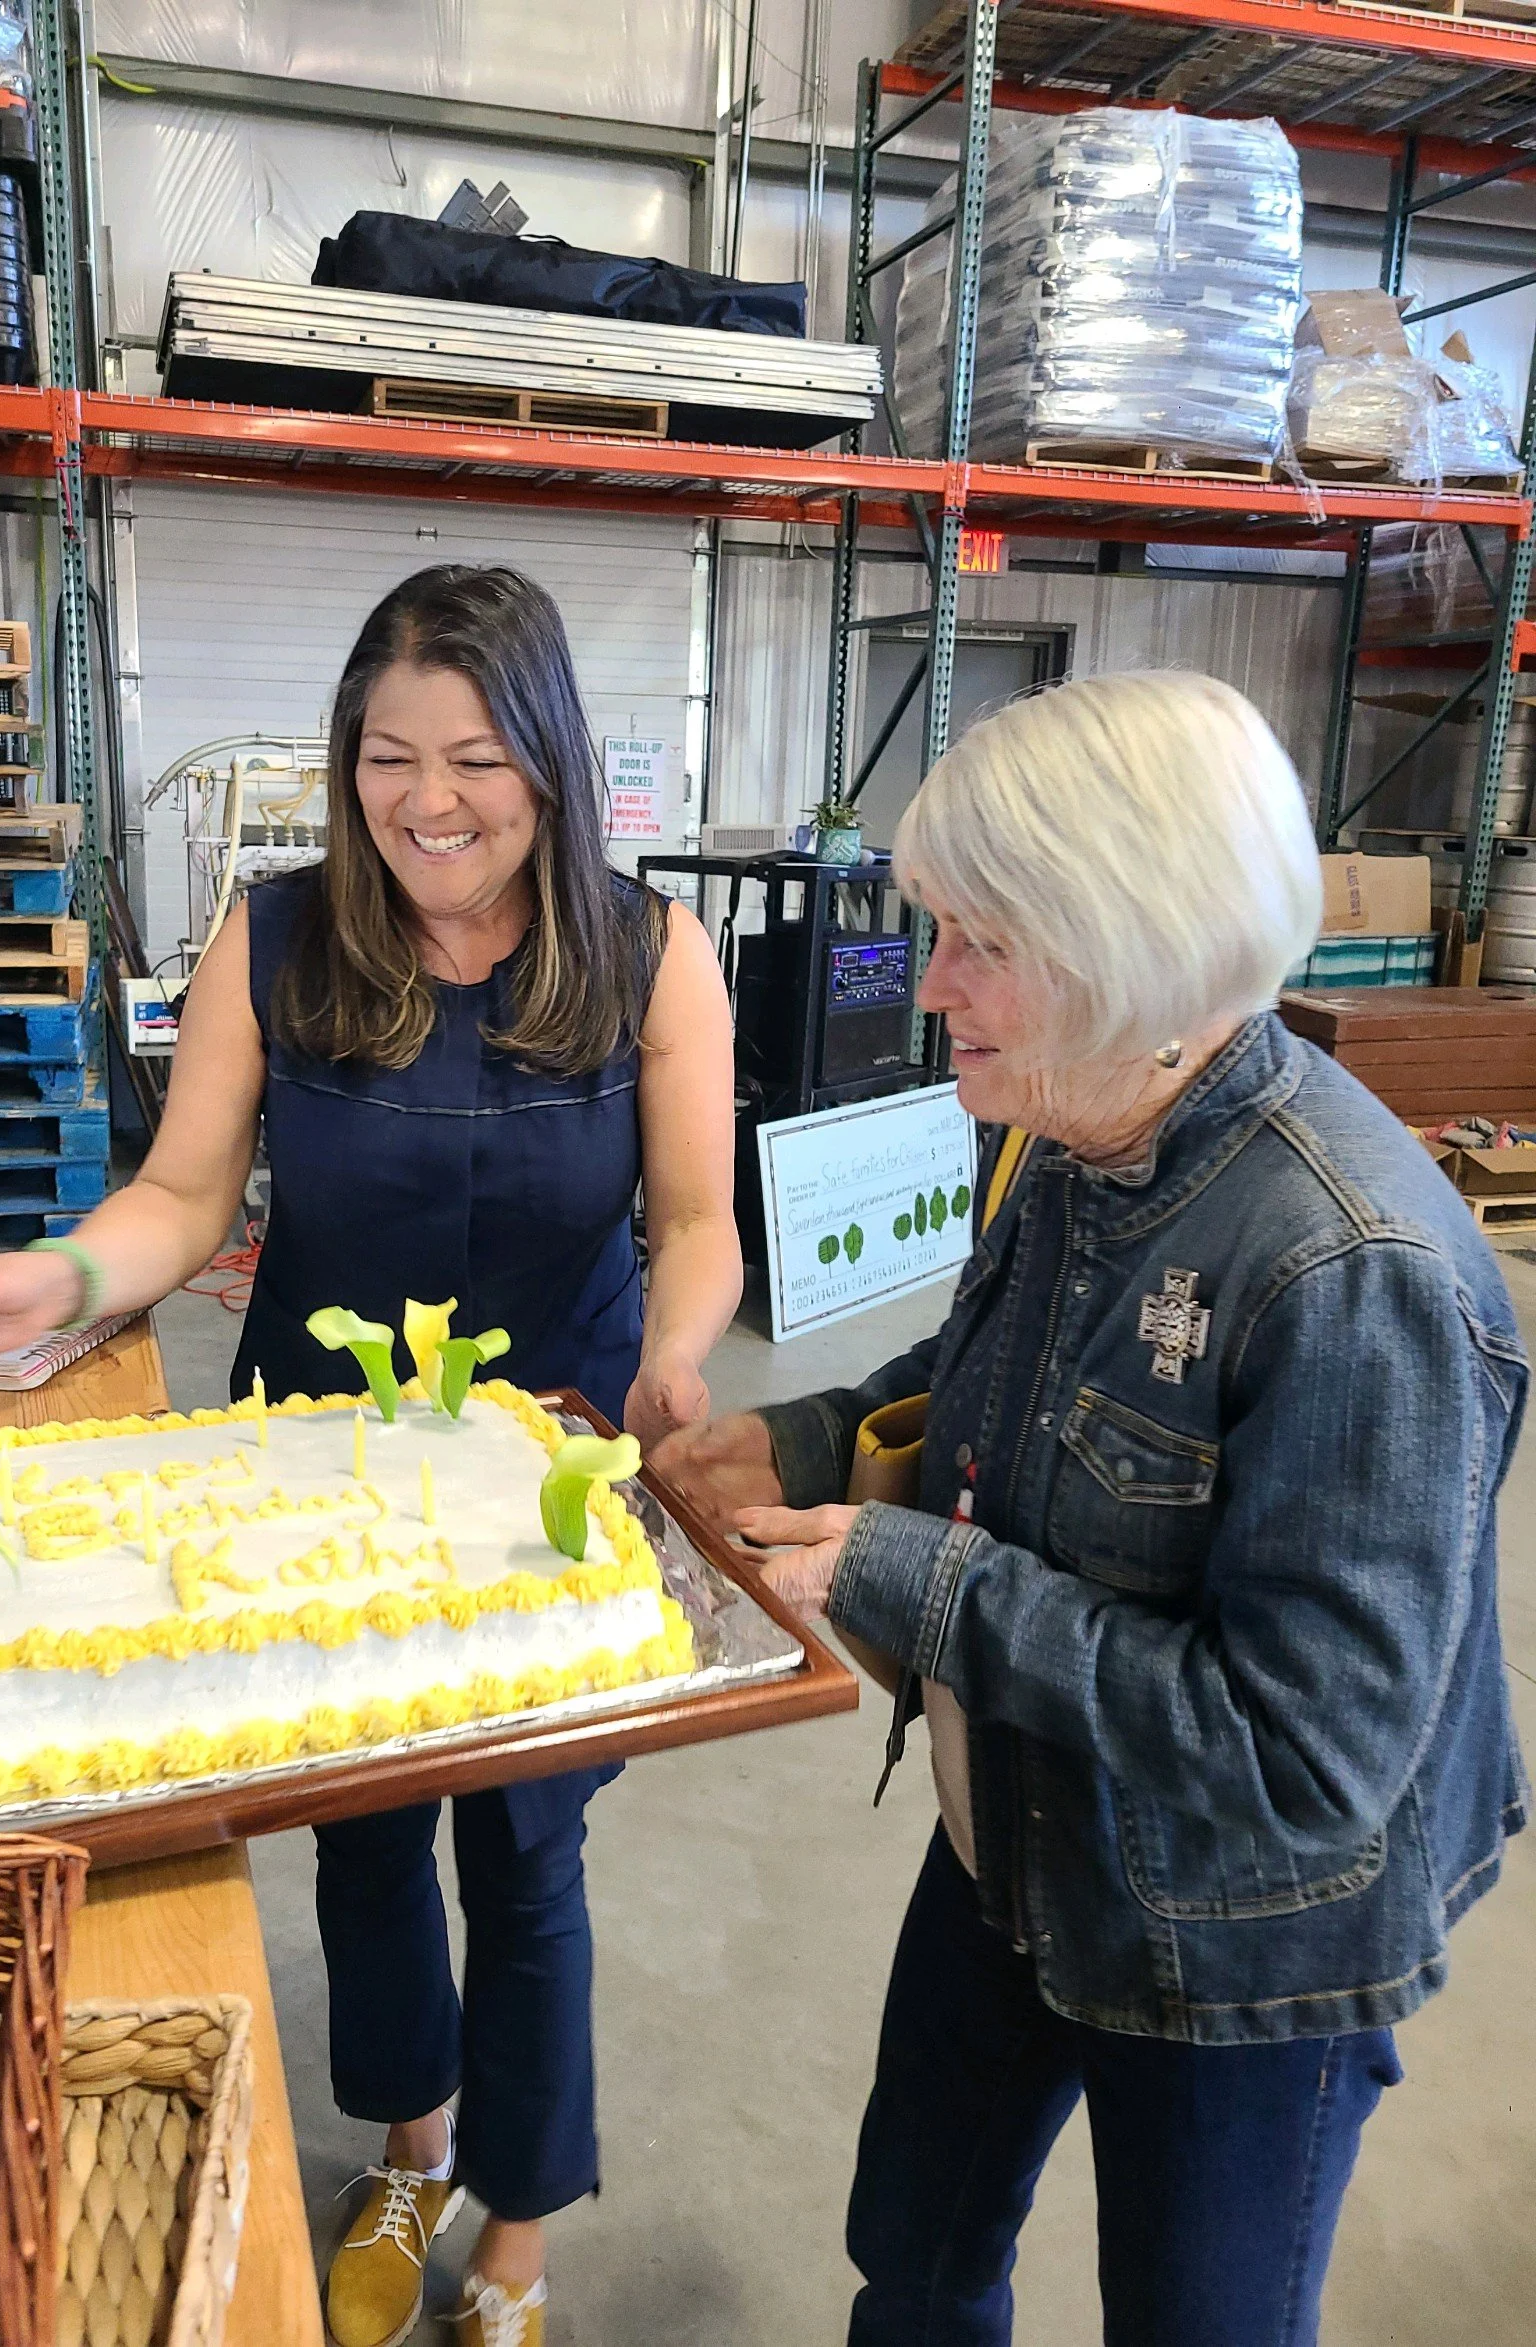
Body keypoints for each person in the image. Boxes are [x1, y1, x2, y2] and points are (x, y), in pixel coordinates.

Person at [0, 563, 742, 2347]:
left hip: (549, 1469)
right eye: (389, 755)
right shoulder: (275, 936)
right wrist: (39, 1281)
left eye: (479, 757)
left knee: (525, 1851)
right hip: (319, 1465)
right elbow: (183, 1198)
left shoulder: (653, 953)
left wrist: (670, 1357)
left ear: (554, 764)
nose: (431, 799)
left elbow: (700, 1217)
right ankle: (411, 2144)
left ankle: (517, 2226)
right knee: (356, 1838)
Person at [652, 670, 1528, 2347]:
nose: (932, 988)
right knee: (910, 2252)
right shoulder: (1084, 1105)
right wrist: (822, 1438)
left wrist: (925, 1586)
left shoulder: (1358, 1274)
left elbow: (1309, 1756)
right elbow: (1002, 1360)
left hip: (1244, 1938)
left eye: (980, 939)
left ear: (1128, 942)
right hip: (1027, 1829)